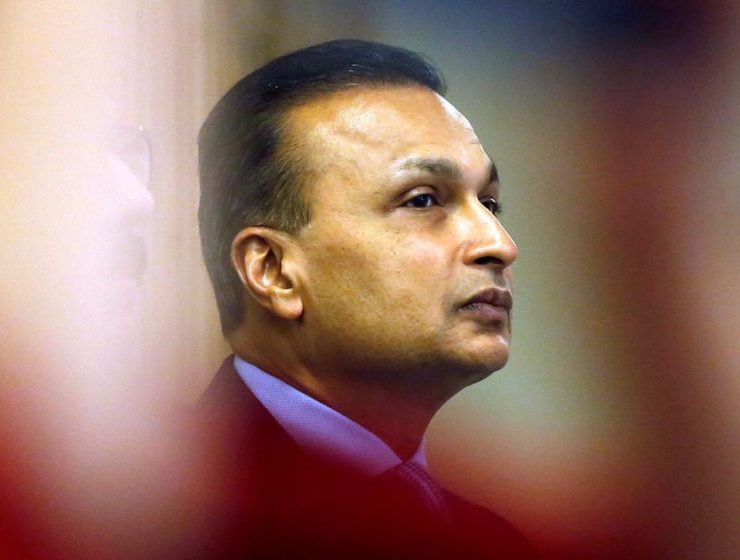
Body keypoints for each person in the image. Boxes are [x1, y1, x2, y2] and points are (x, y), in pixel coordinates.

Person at [195, 39, 536, 559]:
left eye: (489, 203)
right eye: (423, 200)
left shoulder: (499, 543)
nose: (499, 245)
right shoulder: (164, 518)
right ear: (273, 271)